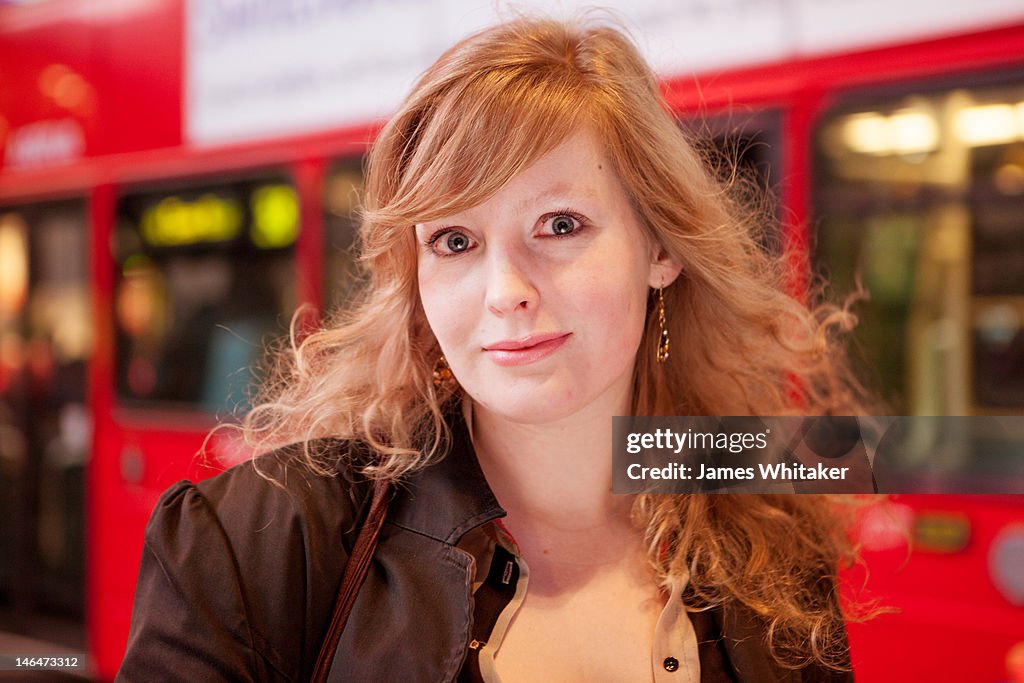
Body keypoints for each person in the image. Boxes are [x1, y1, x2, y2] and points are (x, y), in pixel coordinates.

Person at [118, 15, 872, 682]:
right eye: (455, 240)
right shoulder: (257, 546)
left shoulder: (771, 523)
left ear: (660, 247)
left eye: (560, 224)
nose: (504, 289)